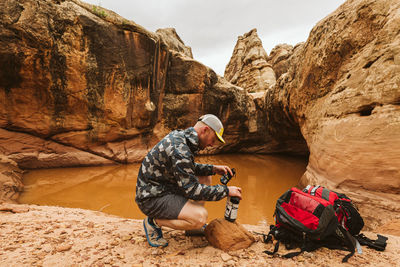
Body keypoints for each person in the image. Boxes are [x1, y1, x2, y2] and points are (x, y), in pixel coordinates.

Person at [135, 114, 242, 247]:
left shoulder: (183, 138)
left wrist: (213, 169)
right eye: (213, 139)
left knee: (206, 176)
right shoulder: (180, 149)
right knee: (200, 217)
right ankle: (154, 222)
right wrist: (226, 190)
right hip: (151, 198)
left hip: (164, 188)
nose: (212, 144)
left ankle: (194, 227)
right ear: (205, 130)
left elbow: (186, 168)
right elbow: (192, 190)